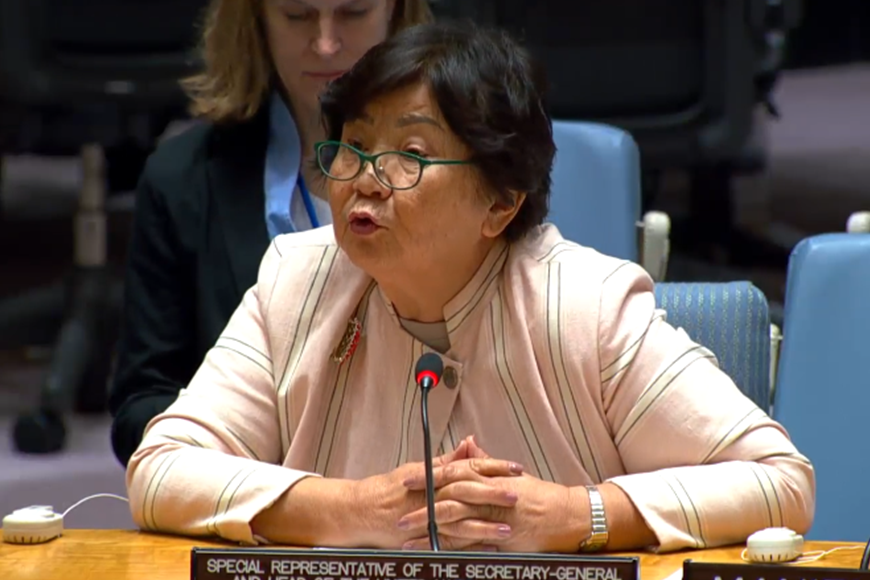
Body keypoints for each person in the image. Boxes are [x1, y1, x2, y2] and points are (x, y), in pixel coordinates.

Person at [125, 21, 815, 553]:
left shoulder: (588, 307)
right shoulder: (296, 281)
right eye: (354, 147)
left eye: (410, 155)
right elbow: (160, 469)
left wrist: (581, 514)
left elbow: (779, 482)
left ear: (501, 203)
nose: (365, 179)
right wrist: (352, 509)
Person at [108, 0, 433, 467]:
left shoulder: (472, 169)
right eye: (298, 16)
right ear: (255, 19)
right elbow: (141, 405)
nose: (325, 44)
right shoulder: (180, 180)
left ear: (396, 13)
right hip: (257, 494)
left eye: (353, 13)